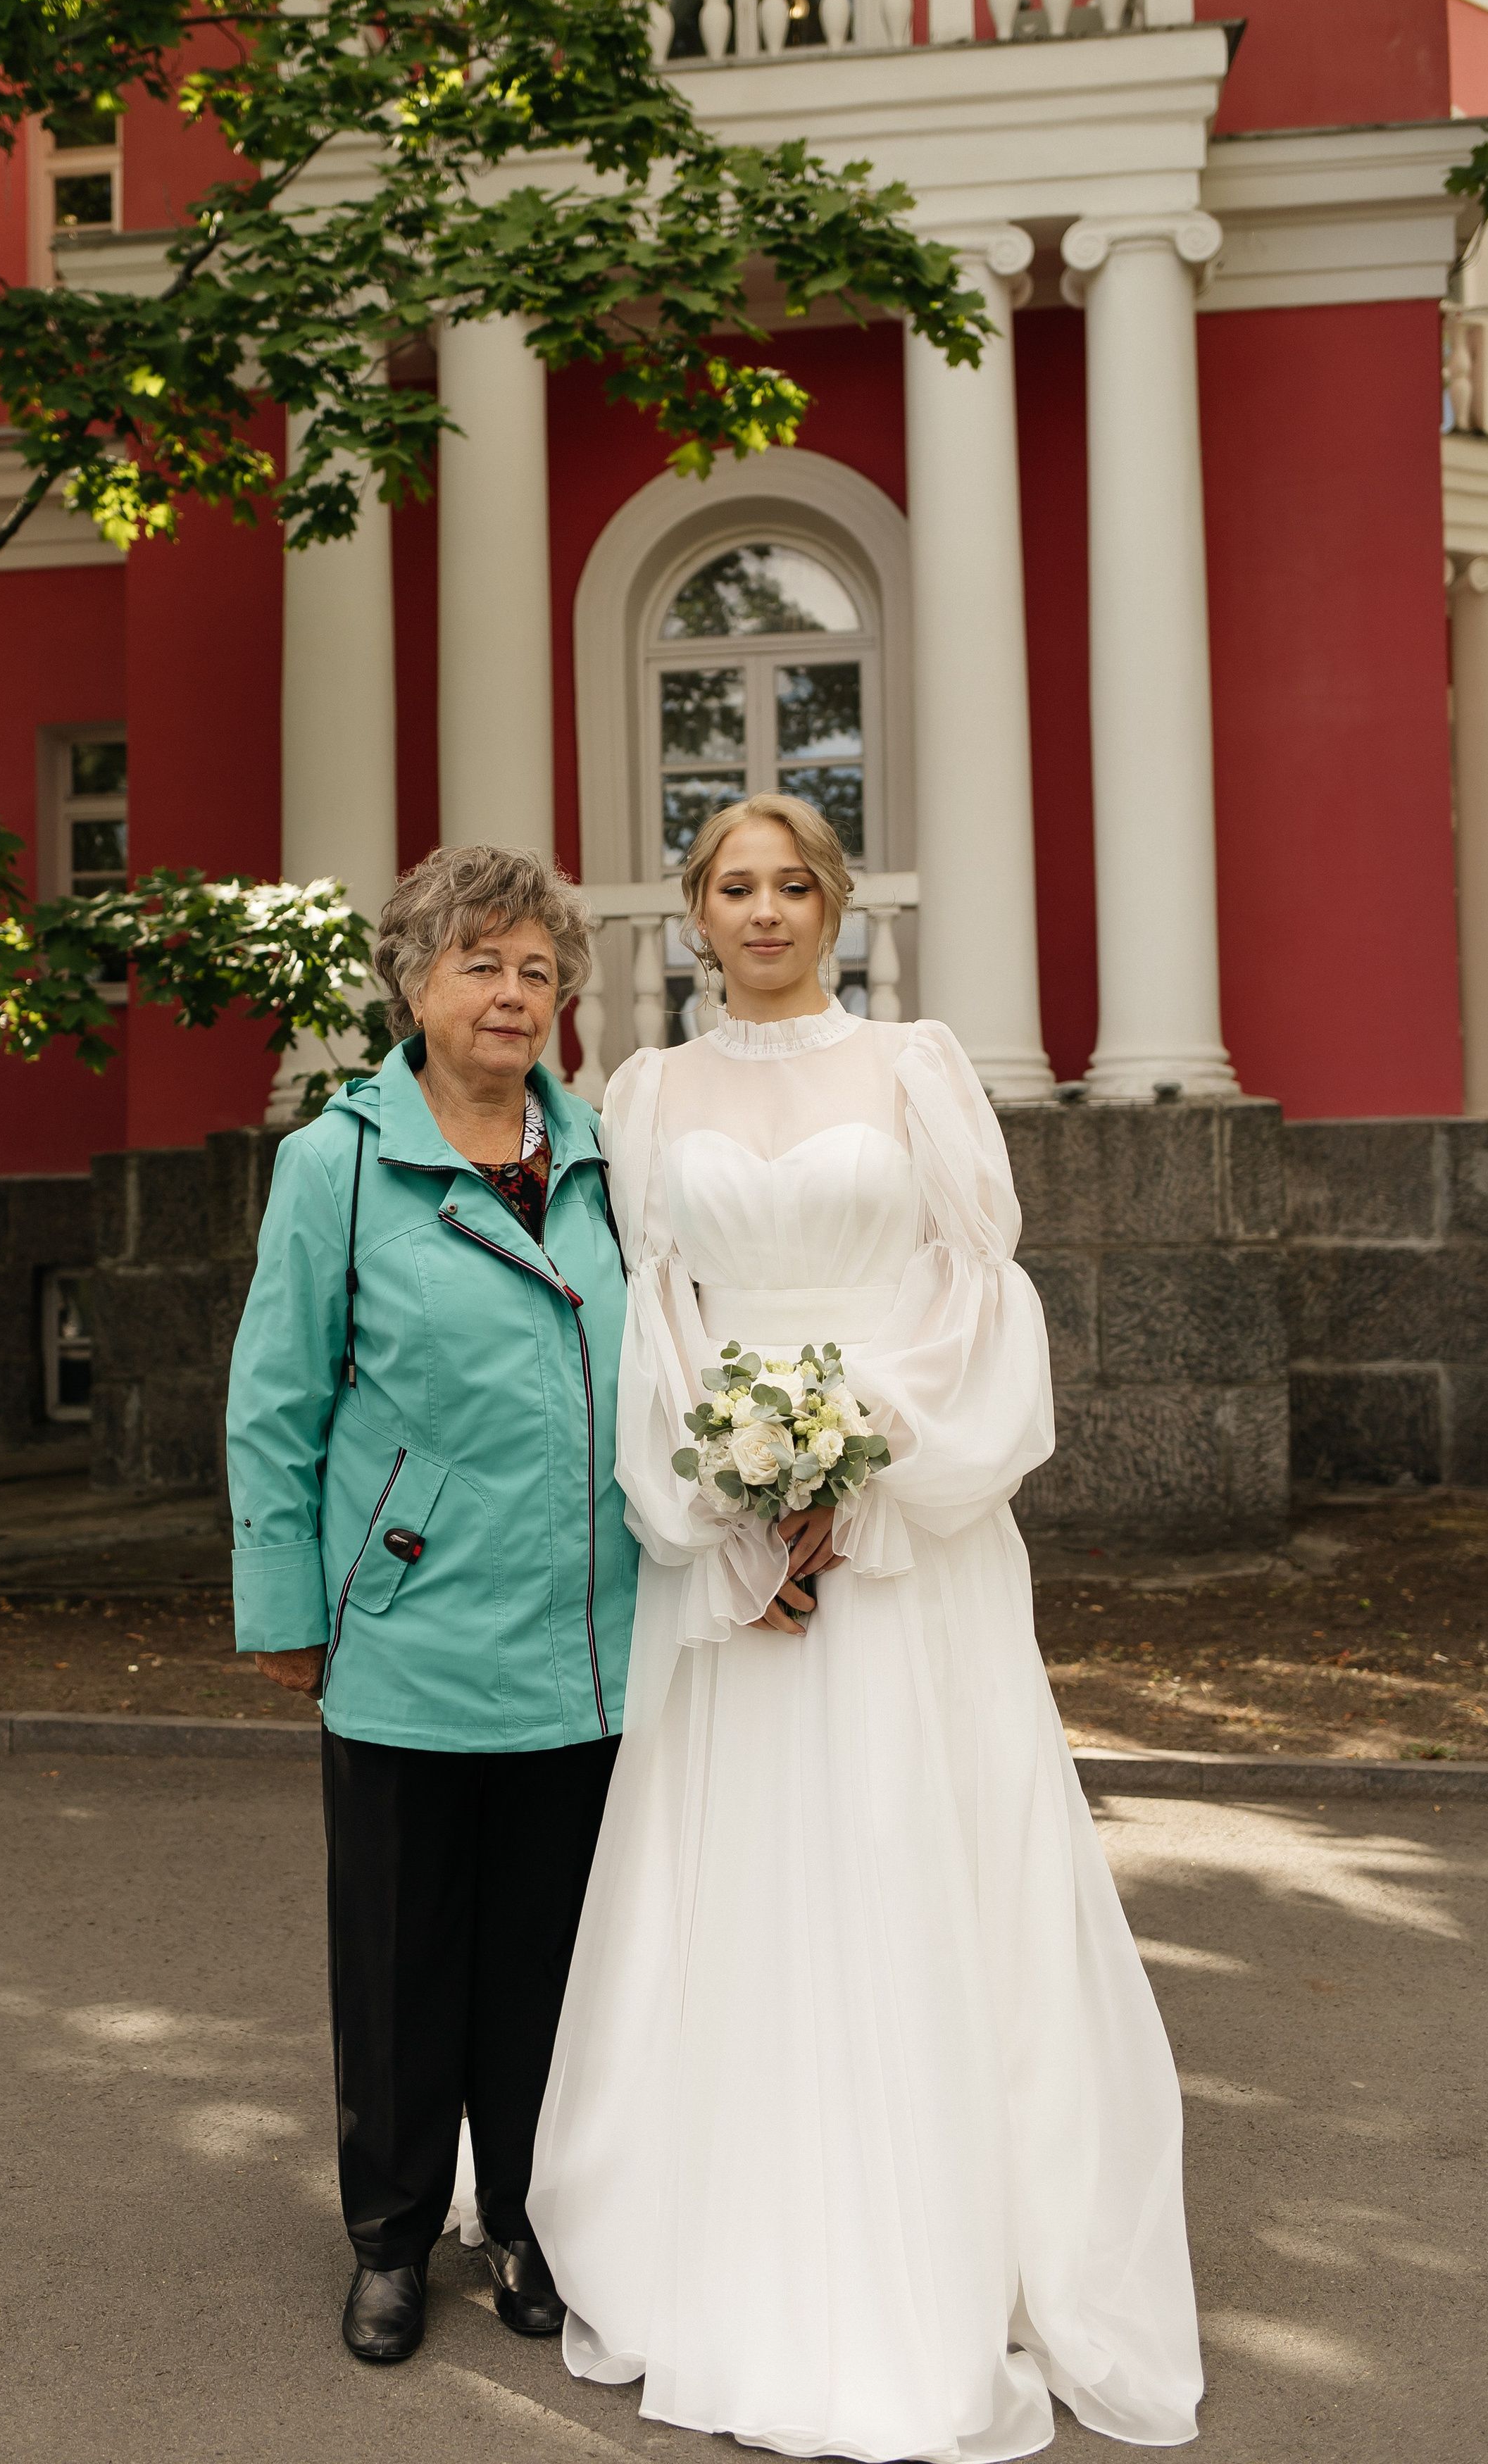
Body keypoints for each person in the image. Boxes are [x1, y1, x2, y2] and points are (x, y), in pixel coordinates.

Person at [529, 794, 1203, 2460]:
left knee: (911, 1856)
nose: (761, 911)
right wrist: (734, 1506)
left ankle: (939, 2242)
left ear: (833, 903)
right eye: (730, 887)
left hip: (904, 1544)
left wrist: (850, 1465)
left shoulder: (915, 1065)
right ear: (692, 912)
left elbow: (979, 1296)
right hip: (736, 1553)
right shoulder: (647, 1090)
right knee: (747, 1877)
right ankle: (728, 2236)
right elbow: (659, 1334)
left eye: (789, 884)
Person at [227, 845, 637, 2367]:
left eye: (538, 970)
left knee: (548, 1959)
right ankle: (391, 2239)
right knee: (400, 1960)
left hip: (592, 1630)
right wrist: (283, 1600)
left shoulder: (600, 1150)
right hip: (404, 1623)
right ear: (412, 982)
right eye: (483, 964)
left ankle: (526, 2222)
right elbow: (275, 1398)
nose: (514, 994)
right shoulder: (336, 1160)